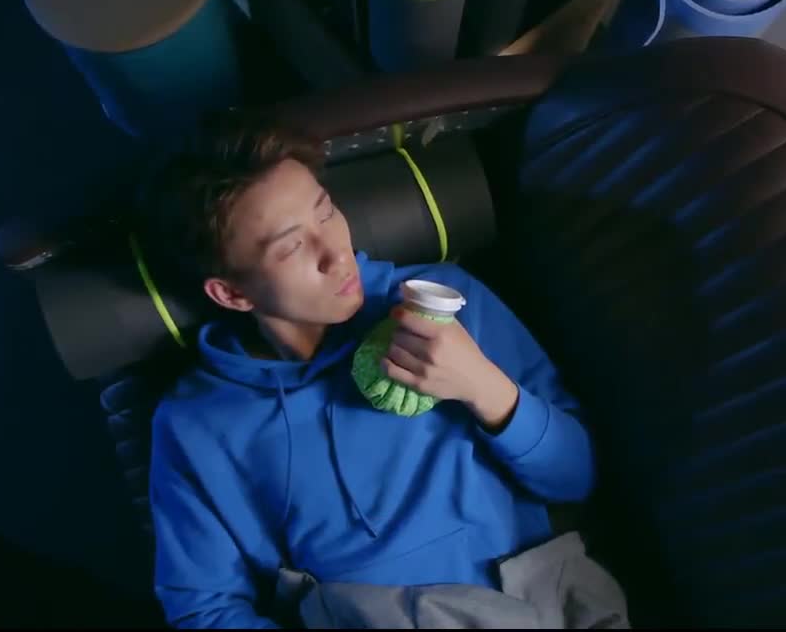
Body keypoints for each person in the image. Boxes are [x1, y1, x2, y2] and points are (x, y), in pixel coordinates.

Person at [142, 115, 597, 629]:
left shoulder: (443, 302)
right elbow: (205, 609)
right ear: (231, 293)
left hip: (531, 601)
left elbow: (575, 478)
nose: (337, 254)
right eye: (292, 247)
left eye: (326, 212)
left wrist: (484, 387)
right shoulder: (197, 422)